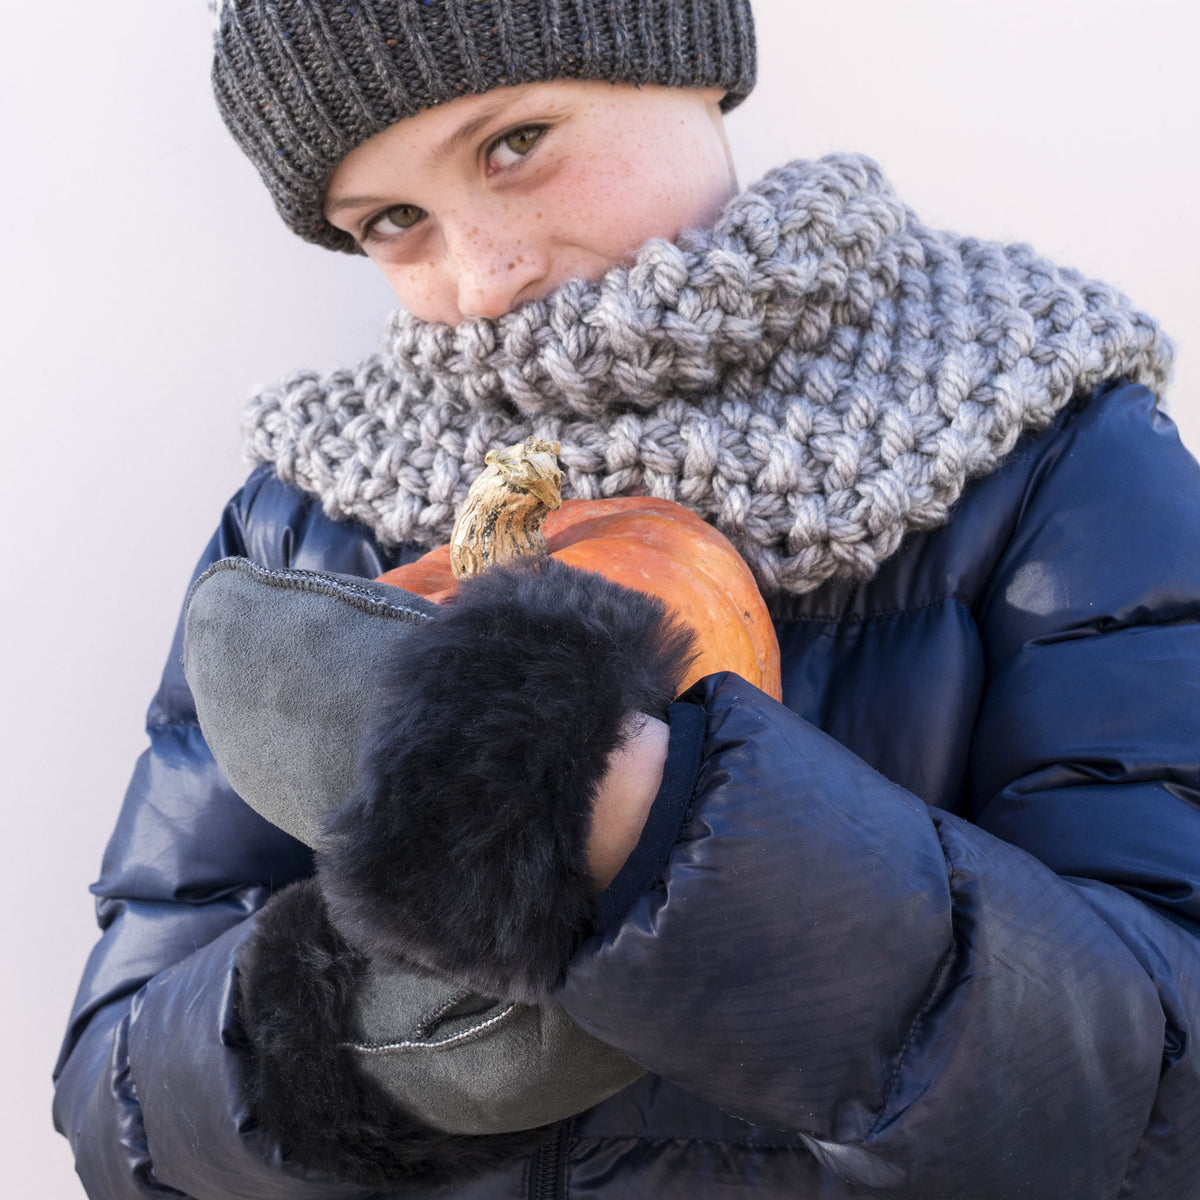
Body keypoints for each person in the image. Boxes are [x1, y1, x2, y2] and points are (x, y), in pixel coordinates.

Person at [53, 1, 1200, 1197]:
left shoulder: (1048, 458)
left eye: (514, 143)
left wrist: (652, 818)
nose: (487, 277)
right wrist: (360, 1028)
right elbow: (114, 1112)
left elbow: (1164, 1101)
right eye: (395, 221)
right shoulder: (315, 514)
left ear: (693, 67)